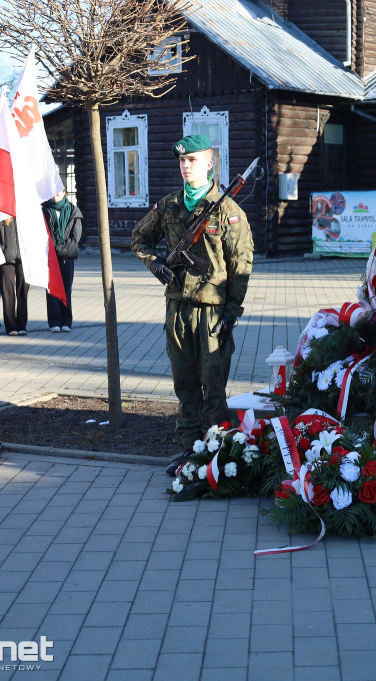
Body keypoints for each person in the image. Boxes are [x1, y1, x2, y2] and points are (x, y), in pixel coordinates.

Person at [131, 134, 254, 476]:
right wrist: (154, 262)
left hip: (212, 311)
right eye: (182, 161)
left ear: (210, 163)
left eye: (193, 160)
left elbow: (241, 266)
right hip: (178, 309)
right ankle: (189, 449)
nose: (186, 166)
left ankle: (214, 451)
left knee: (213, 384)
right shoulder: (169, 205)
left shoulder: (227, 210)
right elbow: (139, 238)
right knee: (184, 383)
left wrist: (231, 316)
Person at [42, 190, 82, 332]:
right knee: (51, 289)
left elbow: (75, 237)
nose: (55, 196)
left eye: (58, 193)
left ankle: (66, 321)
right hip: (50, 257)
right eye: (52, 194)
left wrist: (59, 250)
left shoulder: (73, 211)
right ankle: (54, 322)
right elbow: (43, 233)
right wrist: (53, 251)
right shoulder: (44, 210)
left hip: (67, 257)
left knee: (66, 289)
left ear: (64, 193)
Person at [0, 218, 28, 336]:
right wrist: (2, 251)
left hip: (25, 258)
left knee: (22, 290)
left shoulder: (26, 214)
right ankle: (11, 326)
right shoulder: (1, 215)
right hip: (5, 259)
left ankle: (22, 324)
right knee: (7, 292)